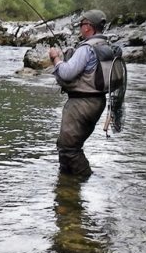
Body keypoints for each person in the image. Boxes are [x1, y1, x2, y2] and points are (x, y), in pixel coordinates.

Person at [47, 9, 110, 178]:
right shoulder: (105, 46)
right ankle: (66, 182)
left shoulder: (87, 48)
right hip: (97, 102)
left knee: (69, 148)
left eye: (81, 25)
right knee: (66, 144)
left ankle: (85, 179)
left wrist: (56, 58)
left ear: (88, 26)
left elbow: (67, 73)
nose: (80, 28)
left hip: (82, 104)